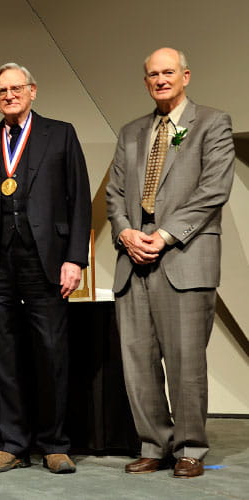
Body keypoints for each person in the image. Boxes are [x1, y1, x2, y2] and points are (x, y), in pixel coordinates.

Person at [106, 48, 234, 478]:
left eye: (168, 72)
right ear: (146, 82)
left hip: (183, 256)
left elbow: (213, 190)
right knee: (138, 362)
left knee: (185, 362)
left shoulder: (213, 123)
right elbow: (114, 194)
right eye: (153, 74)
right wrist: (125, 232)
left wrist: (162, 235)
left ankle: (190, 448)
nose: (161, 80)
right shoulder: (131, 132)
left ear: (186, 76)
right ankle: (153, 444)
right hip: (133, 259)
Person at [0, 62, 91, 474]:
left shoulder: (61, 133)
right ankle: (13, 444)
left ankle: (54, 444)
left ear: (33, 91)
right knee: (4, 356)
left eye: (16, 88)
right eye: (1, 91)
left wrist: (75, 258)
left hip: (46, 261)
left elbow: (80, 199)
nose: (9, 95)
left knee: (50, 352)